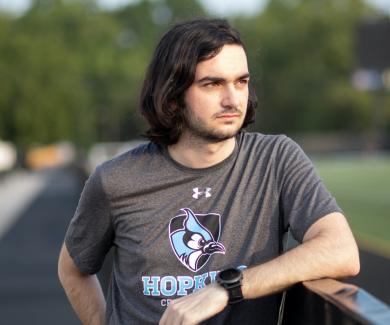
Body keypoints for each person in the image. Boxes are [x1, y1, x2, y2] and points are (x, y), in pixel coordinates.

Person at [58, 18, 360, 325]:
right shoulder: (116, 179)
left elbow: (341, 250)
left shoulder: (275, 159)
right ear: (173, 95)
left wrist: (227, 288)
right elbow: (72, 268)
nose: (232, 99)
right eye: (212, 84)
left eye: (241, 82)